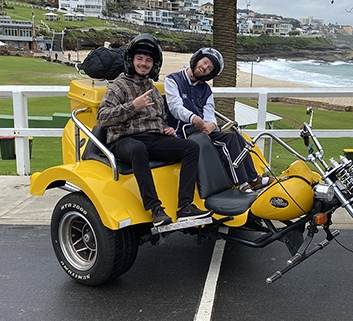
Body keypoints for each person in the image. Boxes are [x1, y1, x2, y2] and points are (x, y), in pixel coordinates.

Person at [97, 34, 212, 227]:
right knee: (137, 149)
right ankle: (155, 209)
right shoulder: (119, 86)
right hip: (125, 140)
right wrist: (133, 106)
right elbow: (102, 117)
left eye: (148, 60)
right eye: (140, 59)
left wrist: (165, 128)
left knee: (191, 148)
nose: (144, 63)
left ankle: (185, 206)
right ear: (131, 60)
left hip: (152, 138)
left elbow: (160, 117)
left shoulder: (152, 88)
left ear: (154, 65)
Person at [164, 47, 275, 193]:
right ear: (196, 60)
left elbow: (209, 113)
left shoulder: (206, 90)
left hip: (201, 130)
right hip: (183, 132)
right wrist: (193, 118)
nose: (205, 68)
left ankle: (253, 179)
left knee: (235, 135)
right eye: (204, 62)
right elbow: (175, 107)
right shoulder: (173, 80)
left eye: (210, 68)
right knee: (225, 142)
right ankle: (241, 184)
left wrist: (211, 125)